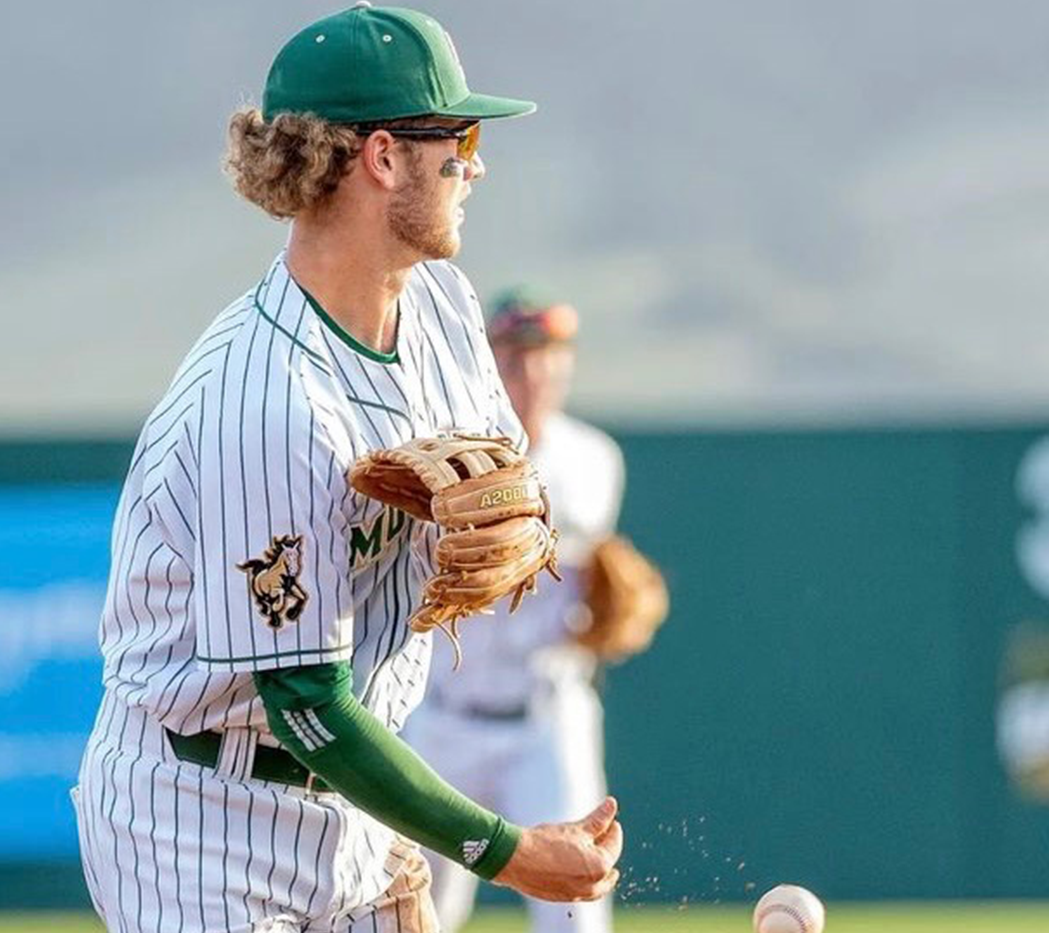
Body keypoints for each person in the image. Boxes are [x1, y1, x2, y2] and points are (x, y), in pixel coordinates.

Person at [71, 6, 623, 932]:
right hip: (198, 821)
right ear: (383, 158)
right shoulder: (263, 400)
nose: (475, 166)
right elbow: (305, 702)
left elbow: (504, 488)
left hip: (351, 799)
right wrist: (507, 850)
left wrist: (518, 527)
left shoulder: (443, 306)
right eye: (458, 140)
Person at [403, 288, 668, 933]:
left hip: (546, 720)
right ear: (488, 361)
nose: (533, 371)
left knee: (575, 905)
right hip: (443, 718)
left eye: (548, 354)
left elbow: (594, 577)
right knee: (412, 911)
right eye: (515, 354)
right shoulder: (451, 453)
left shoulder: (593, 459)